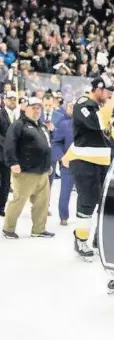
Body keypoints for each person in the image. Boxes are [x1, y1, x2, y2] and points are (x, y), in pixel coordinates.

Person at [62, 76, 114, 293]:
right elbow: (96, 124)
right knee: (87, 203)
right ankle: (80, 241)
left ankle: (95, 239)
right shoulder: (83, 104)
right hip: (85, 161)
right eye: (106, 92)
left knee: (100, 202)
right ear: (97, 90)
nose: (108, 95)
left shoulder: (101, 107)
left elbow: (110, 130)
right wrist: (111, 103)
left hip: (102, 161)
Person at [2, 97, 54, 239]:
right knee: (18, 201)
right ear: (26, 108)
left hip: (42, 172)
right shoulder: (19, 125)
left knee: (42, 203)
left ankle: (38, 229)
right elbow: (9, 144)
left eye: (39, 107)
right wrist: (13, 163)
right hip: (25, 172)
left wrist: (48, 164)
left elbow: (47, 146)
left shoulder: (42, 126)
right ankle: (8, 229)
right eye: (33, 107)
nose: (37, 110)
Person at [51, 102, 74, 226]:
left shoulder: (90, 125)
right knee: (65, 192)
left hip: (86, 165)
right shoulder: (65, 125)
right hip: (68, 164)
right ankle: (63, 216)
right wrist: (62, 157)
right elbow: (56, 142)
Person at [0, 91, 19, 216]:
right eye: (10, 99)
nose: (13, 101)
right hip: (1, 151)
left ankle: (1, 206)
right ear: (5, 100)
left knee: (6, 182)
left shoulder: (18, 115)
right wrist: (7, 144)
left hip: (9, 156)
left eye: (14, 99)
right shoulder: (1, 113)